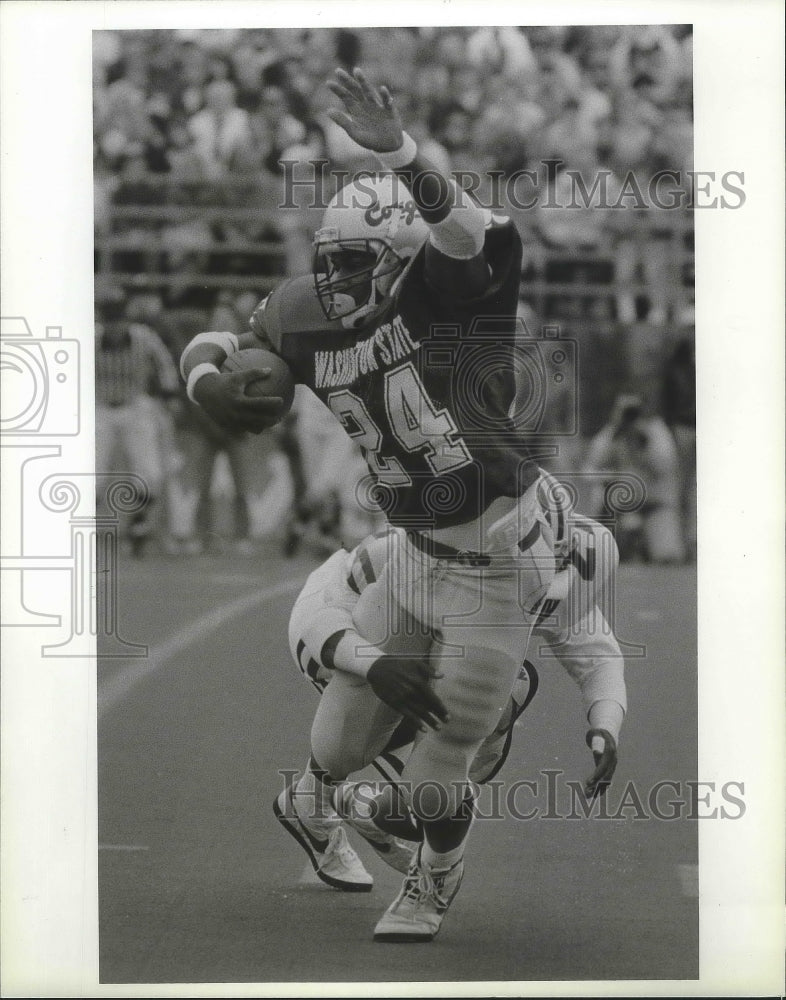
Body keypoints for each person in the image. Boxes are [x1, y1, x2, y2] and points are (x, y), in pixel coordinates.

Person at [180, 67, 555, 943]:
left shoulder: (453, 292)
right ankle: (329, 810)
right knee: (341, 751)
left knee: (434, 775)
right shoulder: (306, 313)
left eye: (357, 263)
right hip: (412, 548)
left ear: (400, 255)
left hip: (497, 556)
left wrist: (402, 154)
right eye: (330, 262)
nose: (338, 280)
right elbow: (227, 336)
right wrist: (203, 377)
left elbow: (469, 231)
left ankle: (435, 873)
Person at [280, 469, 625, 888]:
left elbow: (599, 659)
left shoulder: (565, 563)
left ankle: (337, 800)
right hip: (347, 633)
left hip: (424, 644)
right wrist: (373, 665)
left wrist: (605, 727)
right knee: (450, 735)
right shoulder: (417, 551)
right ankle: (333, 796)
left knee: (449, 766)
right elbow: (321, 619)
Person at [95, 286, 181, 556]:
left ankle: (139, 522)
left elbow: (165, 363)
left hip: (136, 405)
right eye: (110, 321)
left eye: (119, 320)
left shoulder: (143, 338)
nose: (115, 327)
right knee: (92, 476)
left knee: (150, 475)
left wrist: (169, 395)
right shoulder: (90, 339)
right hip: (100, 407)